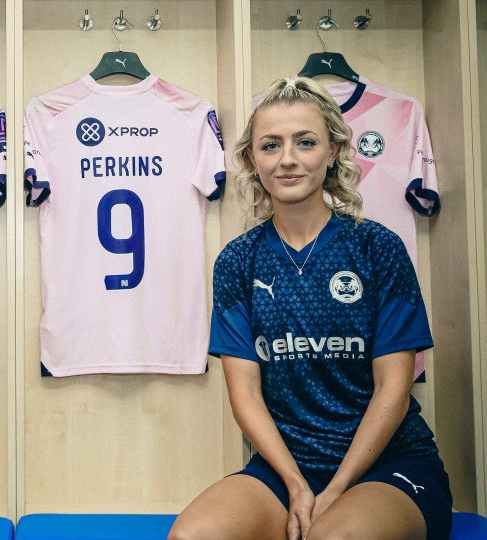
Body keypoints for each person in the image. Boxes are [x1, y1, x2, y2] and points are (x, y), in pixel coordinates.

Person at [168, 77, 452, 540]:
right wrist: (297, 484)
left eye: (305, 142)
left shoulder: (378, 248)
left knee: (332, 538)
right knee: (191, 537)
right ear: (251, 159)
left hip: (389, 464)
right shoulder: (238, 261)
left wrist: (338, 487)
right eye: (270, 145)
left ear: (334, 150)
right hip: (286, 467)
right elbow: (246, 397)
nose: (288, 159)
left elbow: (394, 391)